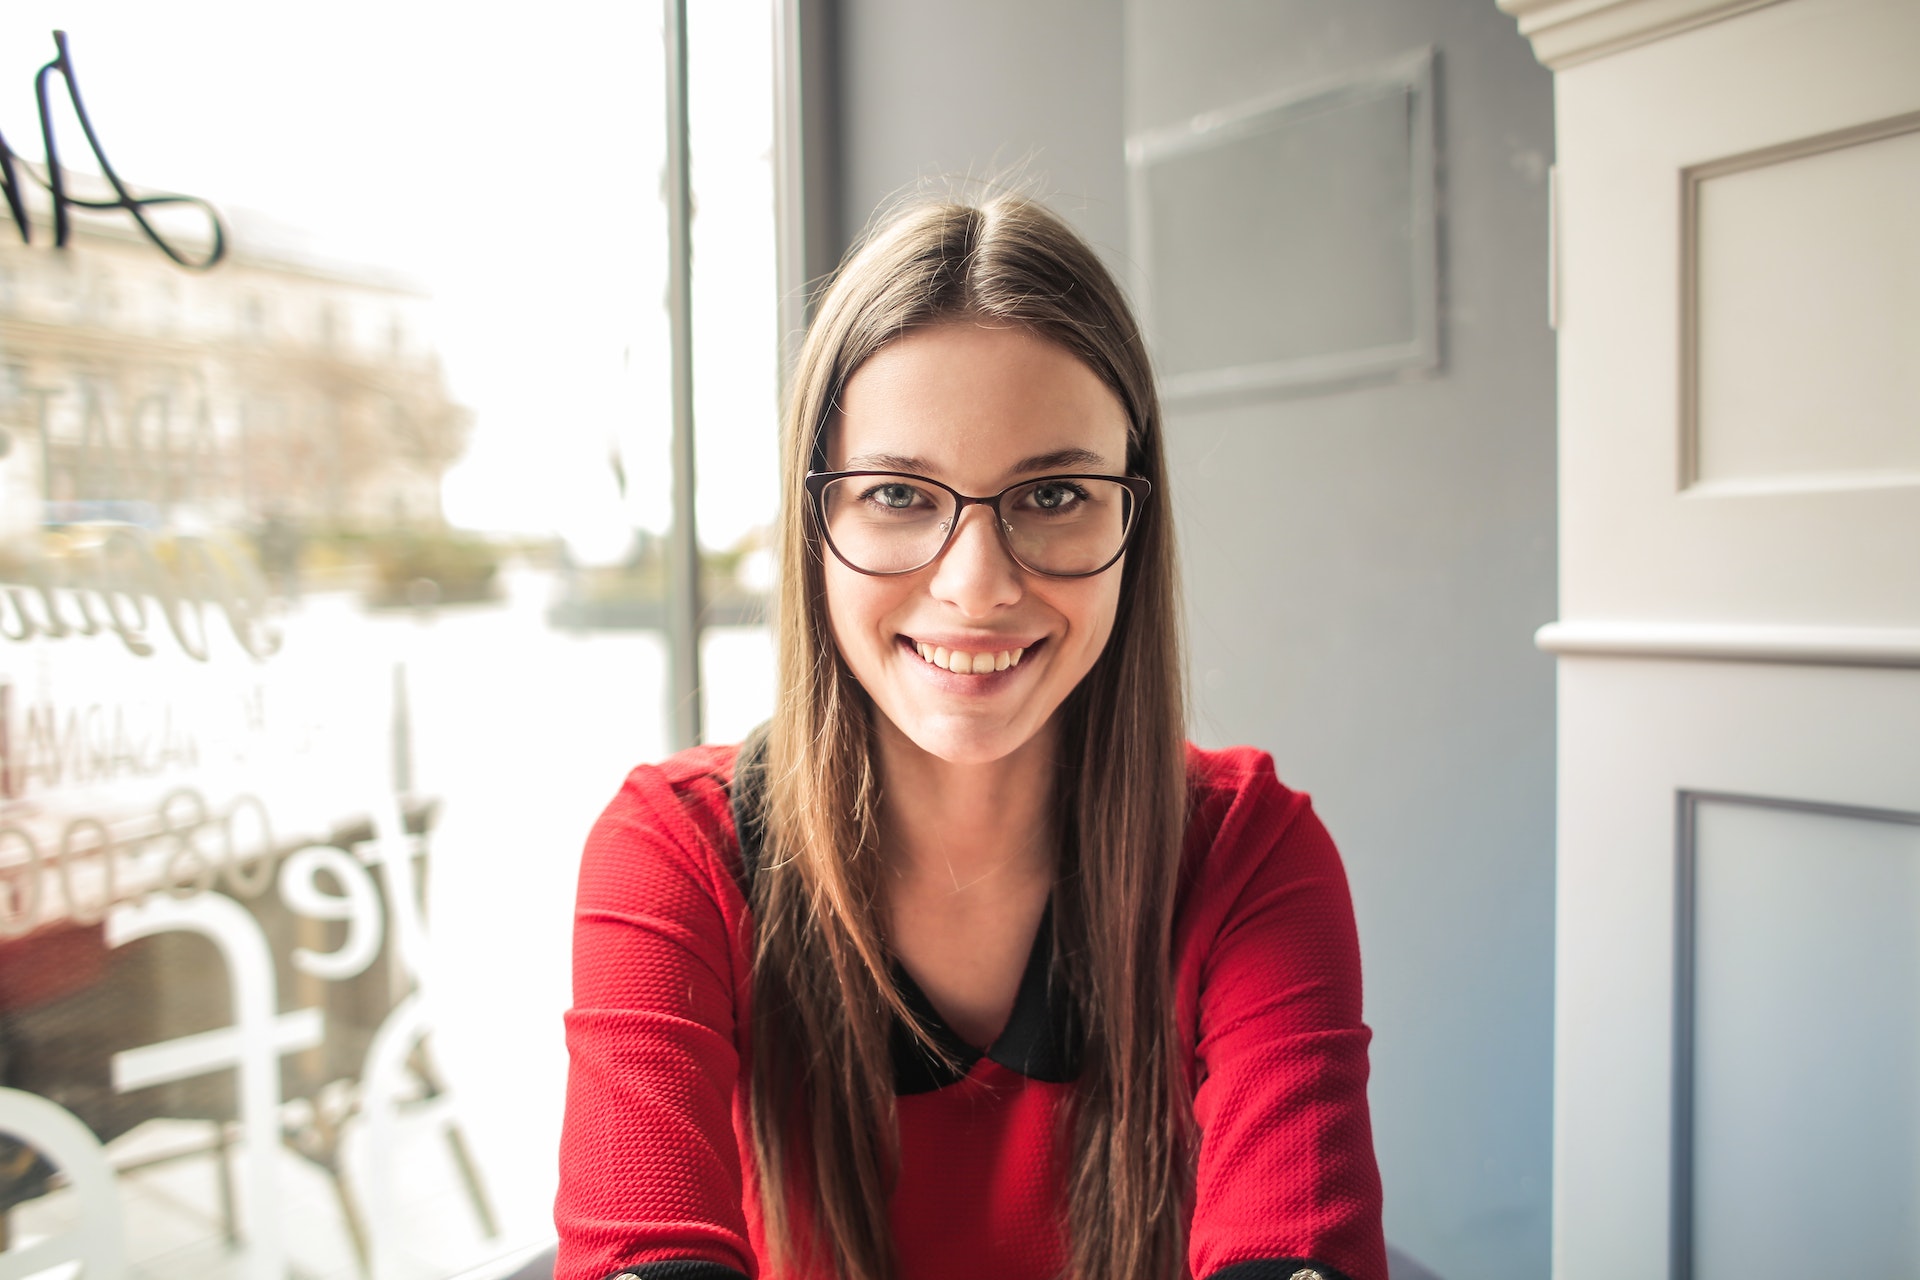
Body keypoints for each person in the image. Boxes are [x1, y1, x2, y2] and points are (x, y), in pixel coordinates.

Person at [555, 194, 1386, 1280]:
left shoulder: (1251, 855)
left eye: (1053, 493)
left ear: (1134, 518)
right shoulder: (677, 851)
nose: (977, 583)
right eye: (898, 492)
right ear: (816, 523)